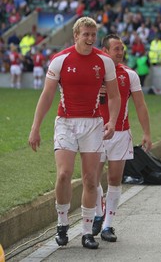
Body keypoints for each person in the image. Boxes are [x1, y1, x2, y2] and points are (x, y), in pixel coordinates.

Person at [28, 17, 121, 249]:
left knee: (91, 179)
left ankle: (87, 232)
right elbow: (47, 95)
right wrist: (35, 127)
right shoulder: (60, 60)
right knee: (64, 174)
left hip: (92, 124)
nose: (90, 39)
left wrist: (112, 121)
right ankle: (62, 224)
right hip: (66, 123)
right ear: (76, 35)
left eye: (93, 35)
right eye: (85, 34)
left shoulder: (105, 61)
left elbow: (114, 95)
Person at [92, 34, 152, 242]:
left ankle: (108, 225)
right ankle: (99, 213)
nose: (121, 52)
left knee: (114, 179)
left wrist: (146, 133)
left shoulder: (129, 74)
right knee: (92, 178)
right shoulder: (94, 71)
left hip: (120, 133)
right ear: (105, 51)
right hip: (95, 133)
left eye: (122, 48)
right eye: (116, 49)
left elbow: (140, 105)